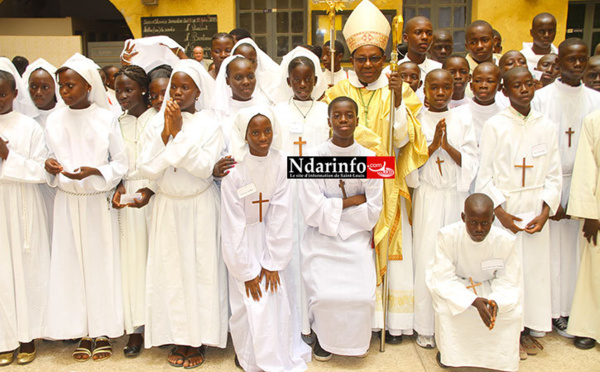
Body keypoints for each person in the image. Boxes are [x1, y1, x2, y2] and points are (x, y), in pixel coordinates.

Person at [323, 0, 428, 344]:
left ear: (385, 58)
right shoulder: (337, 91)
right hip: (347, 184)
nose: (368, 65)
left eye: (375, 58)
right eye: (361, 59)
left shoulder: (400, 89)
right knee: (354, 248)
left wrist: (398, 102)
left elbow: (403, 141)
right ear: (351, 60)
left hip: (385, 181)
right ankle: (356, 322)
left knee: (387, 246)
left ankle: (390, 322)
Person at [139, 60, 227, 368]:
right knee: (172, 274)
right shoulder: (154, 122)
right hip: (168, 205)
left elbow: (205, 168)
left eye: (185, 87)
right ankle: (178, 337)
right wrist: (166, 133)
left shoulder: (210, 124)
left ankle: (199, 339)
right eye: (174, 86)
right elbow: (146, 168)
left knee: (200, 272)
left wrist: (176, 135)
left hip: (199, 205)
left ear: (198, 91)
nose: (177, 92)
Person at [44, 53, 128, 362]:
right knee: (71, 266)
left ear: (88, 85)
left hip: (95, 203)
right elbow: (48, 157)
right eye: (61, 85)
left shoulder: (105, 118)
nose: (64, 91)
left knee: (99, 266)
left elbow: (121, 163)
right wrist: (50, 166)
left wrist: (96, 172)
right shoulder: (53, 119)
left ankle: (103, 330)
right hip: (68, 201)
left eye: (70, 85)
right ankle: (80, 329)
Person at [476, 66, 562, 357]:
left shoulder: (546, 126)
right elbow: (484, 176)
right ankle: (505, 332)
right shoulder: (496, 126)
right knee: (507, 274)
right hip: (507, 210)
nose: (524, 90)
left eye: (528, 84)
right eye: (517, 86)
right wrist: (501, 214)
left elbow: (554, 174)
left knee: (533, 273)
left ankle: (524, 331)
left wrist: (545, 210)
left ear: (536, 85)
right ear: (505, 91)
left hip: (536, 208)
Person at [221, 106, 310, 372]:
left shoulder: (281, 162)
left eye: (267, 130)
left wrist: (273, 262)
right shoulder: (234, 171)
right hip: (243, 242)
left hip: (272, 239)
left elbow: (281, 214)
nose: (263, 138)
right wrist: (245, 270)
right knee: (248, 302)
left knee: (274, 299)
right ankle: (248, 356)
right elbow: (232, 223)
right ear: (244, 135)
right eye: (256, 132)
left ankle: (276, 354)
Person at [300, 96, 383, 361]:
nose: (344, 121)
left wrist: (333, 208)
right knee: (324, 296)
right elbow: (311, 211)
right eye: (338, 116)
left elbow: (373, 211)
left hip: (356, 240)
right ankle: (323, 338)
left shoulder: (372, 159)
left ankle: (357, 340)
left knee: (362, 298)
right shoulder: (311, 158)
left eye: (349, 116)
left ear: (358, 121)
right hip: (321, 240)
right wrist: (350, 202)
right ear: (329, 121)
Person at [531, 38, 600, 339]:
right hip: (551, 181)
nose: (577, 65)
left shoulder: (596, 101)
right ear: (558, 63)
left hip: (586, 182)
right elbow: (538, 146)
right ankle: (550, 311)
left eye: (582, 60)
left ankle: (574, 310)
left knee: (577, 252)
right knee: (551, 253)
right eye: (571, 59)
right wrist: (552, 196)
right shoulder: (542, 98)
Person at [413, 69, 478, 348]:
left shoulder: (463, 118)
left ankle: (451, 327)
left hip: (453, 197)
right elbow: (408, 165)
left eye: (446, 87)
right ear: (424, 90)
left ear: (454, 89)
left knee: (452, 261)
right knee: (426, 258)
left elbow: (472, 162)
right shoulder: (416, 119)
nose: (440, 93)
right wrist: (431, 147)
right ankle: (425, 327)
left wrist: (446, 146)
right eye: (434, 87)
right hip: (428, 197)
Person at [272, 48, 330, 341]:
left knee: (317, 256)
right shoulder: (278, 112)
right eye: (297, 79)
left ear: (316, 80)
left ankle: (319, 324)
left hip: (318, 192)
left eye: (308, 79)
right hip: (288, 194)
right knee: (291, 254)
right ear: (289, 81)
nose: (303, 85)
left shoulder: (326, 110)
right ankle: (294, 321)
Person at [427, 194, 522, 371]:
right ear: (463, 217)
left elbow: (509, 280)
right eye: (472, 222)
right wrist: (472, 300)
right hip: (457, 288)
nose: (479, 229)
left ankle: (496, 359)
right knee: (449, 311)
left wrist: (496, 302)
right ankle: (451, 356)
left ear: (493, 219)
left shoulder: (505, 241)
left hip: (491, 288)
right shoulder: (447, 236)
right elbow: (442, 277)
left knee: (512, 314)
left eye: (485, 223)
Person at [0, 66, 50, 367]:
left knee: (25, 268)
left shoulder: (29, 127)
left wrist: (8, 156)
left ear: (15, 94)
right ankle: (4, 338)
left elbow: (41, 171)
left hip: (21, 205)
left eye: (2, 95)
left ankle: (28, 336)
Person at [110, 65, 155, 358]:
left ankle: (159, 323)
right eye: (118, 92)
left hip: (155, 195)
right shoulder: (117, 123)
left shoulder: (159, 119)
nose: (123, 96)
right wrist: (116, 186)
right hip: (129, 197)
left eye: (128, 90)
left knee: (156, 259)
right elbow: (113, 161)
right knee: (132, 263)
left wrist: (149, 189)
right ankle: (136, 328)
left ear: (143, 89)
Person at [566, 109, 600, 350]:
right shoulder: (594, 120)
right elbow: (587, 167)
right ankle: (590, 326)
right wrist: (589, 212)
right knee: (594, 270)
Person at [211, 55, 272, 180]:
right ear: (227, 81)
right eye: (238, 78)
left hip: (265, 179)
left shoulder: (267, 111)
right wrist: (215, 170)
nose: (246, 82)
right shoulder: (218, 115)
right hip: (232, 184)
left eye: (250, 76)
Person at [455, 62, 502, 145]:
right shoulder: (456, 115)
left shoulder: (505, 116)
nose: (483, 85)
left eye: (490, 81)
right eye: (478, 81)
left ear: (499, 87)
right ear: (471, 86)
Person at [232, 38, 280, 105]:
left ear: (257, 62)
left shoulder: (271, 86)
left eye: (251, 61)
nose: (247, 64)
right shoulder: (224, 90)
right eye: (242, 59)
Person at [400, 16, 442, 84]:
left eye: (429, 34)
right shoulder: (392, 71)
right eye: (418, 32)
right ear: (405, 38)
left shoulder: (439, 69)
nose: (425, 37)